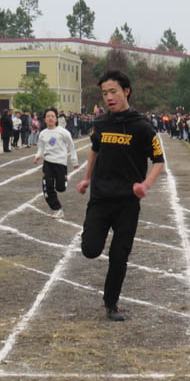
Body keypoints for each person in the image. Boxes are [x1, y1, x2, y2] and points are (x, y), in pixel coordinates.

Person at [76, 70, 164, 321]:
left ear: (126, 91)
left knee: (119, 256)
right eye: (104, 93)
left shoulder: (143, 126)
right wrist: (86, 178)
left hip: (127, 202)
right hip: (101, 198)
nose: (109, 97)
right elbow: (94, 150)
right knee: (90, 250)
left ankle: (111, 303)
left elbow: (158, 161)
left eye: (113, 92)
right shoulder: (101, 124)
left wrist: (145, 185)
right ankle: (92, 234)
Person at [34, 107, 78, 217]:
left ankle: (64, 179)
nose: (50, 118)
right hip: (48, 163)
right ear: (44, 119)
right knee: (47, 187)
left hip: (60, 163)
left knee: (60, 188)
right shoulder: (43, 133)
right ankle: (57, 208)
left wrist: (74, 161)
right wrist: (37, 156)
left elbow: (71, 147)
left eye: (52, 116)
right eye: (48, 116)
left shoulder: (64, 132)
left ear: (56, 118)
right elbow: (41, 147)